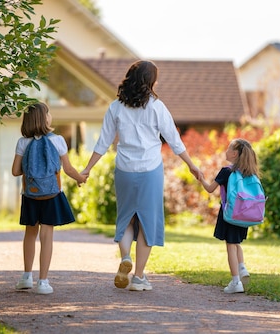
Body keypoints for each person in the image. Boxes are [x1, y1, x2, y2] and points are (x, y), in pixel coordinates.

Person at [80, 60, 201, 291]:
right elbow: (174, 141)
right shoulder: (157, 107)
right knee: (147, 222)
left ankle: (126, 257)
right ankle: (138, 277)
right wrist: (191, 165)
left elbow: (103, 142)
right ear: (150, 81)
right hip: (150, 170)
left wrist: (87, 169)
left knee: (126, 217)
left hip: (125, 170)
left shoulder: (115, 107)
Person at [11, 102, 86, 294]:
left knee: (30, 233)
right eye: (49, 113)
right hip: (52, 194)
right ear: (45, 118)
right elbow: (68, 169)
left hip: (30, 195)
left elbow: (15, 171)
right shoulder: (58, 140)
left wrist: (31, 171)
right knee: (46, 235)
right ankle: (43, 282)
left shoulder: (23, 142)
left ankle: (26, 277)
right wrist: (80, 178)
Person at [198, 138, 260, 293]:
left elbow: (210, 189)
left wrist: (201, 179)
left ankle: (235, 282)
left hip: (230, 214)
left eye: (228, 148)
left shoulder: (227, 171)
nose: (225, 151)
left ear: (234, 154)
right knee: (237, 243)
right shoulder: (249, 172)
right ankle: (242, 268)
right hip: (244, 215)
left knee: (230, 246)